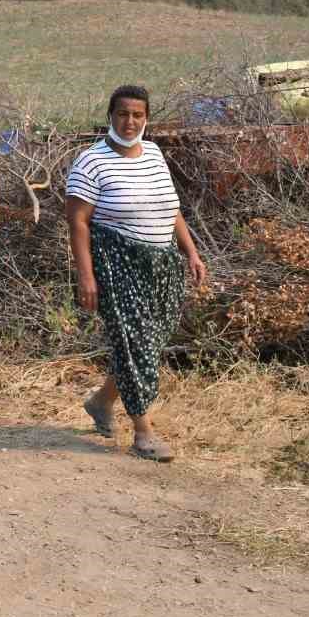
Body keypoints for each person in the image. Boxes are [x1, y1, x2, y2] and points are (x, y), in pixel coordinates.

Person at [65, 85, 207, 462]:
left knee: (144, 344)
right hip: (117, 265)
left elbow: (171, 209)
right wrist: (86, 276)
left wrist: (190, 251)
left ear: (147, 118)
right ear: (110, 115)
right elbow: (77, 222)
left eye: (138, 115)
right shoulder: (90, 162)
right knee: (137, 344)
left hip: (161, 266)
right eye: (123, 114)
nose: (130, 122)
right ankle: (143, 432)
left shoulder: (155, 154)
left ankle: (100, 402)